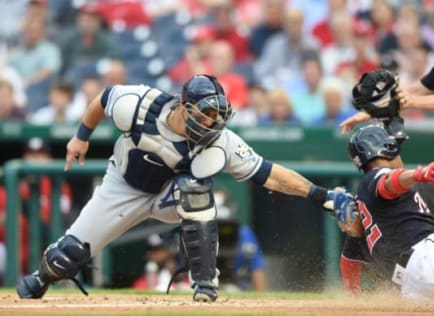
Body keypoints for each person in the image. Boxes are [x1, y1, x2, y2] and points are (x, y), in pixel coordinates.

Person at [16, 74, 352, 303]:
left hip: (166, 196)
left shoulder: (220, 141)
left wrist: (320, 195)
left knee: (196, 192)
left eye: (217, 115)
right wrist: (80, 137)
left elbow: (270, 175)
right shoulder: (139, 104)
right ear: (184, 105)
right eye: (206, 114)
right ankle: (40, 278)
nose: (211, 122)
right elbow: (102, 99)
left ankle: (205, 283)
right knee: (64, 258)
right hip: (121, 187)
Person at [340, 0, 434, 224]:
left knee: (428, 191)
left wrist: (413, 101)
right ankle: (422, 255)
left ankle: (422, 254)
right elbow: (421, 87)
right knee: (427, 192)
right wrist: (370, 111)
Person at [339, 124, 434, 299]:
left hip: (413, 288)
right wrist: (418, 174)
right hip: (425, 261)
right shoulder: (377, 174)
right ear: (388, 148)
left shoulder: (366, 208)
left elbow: (349, 258)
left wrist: (354, 298)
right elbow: (388, 183)